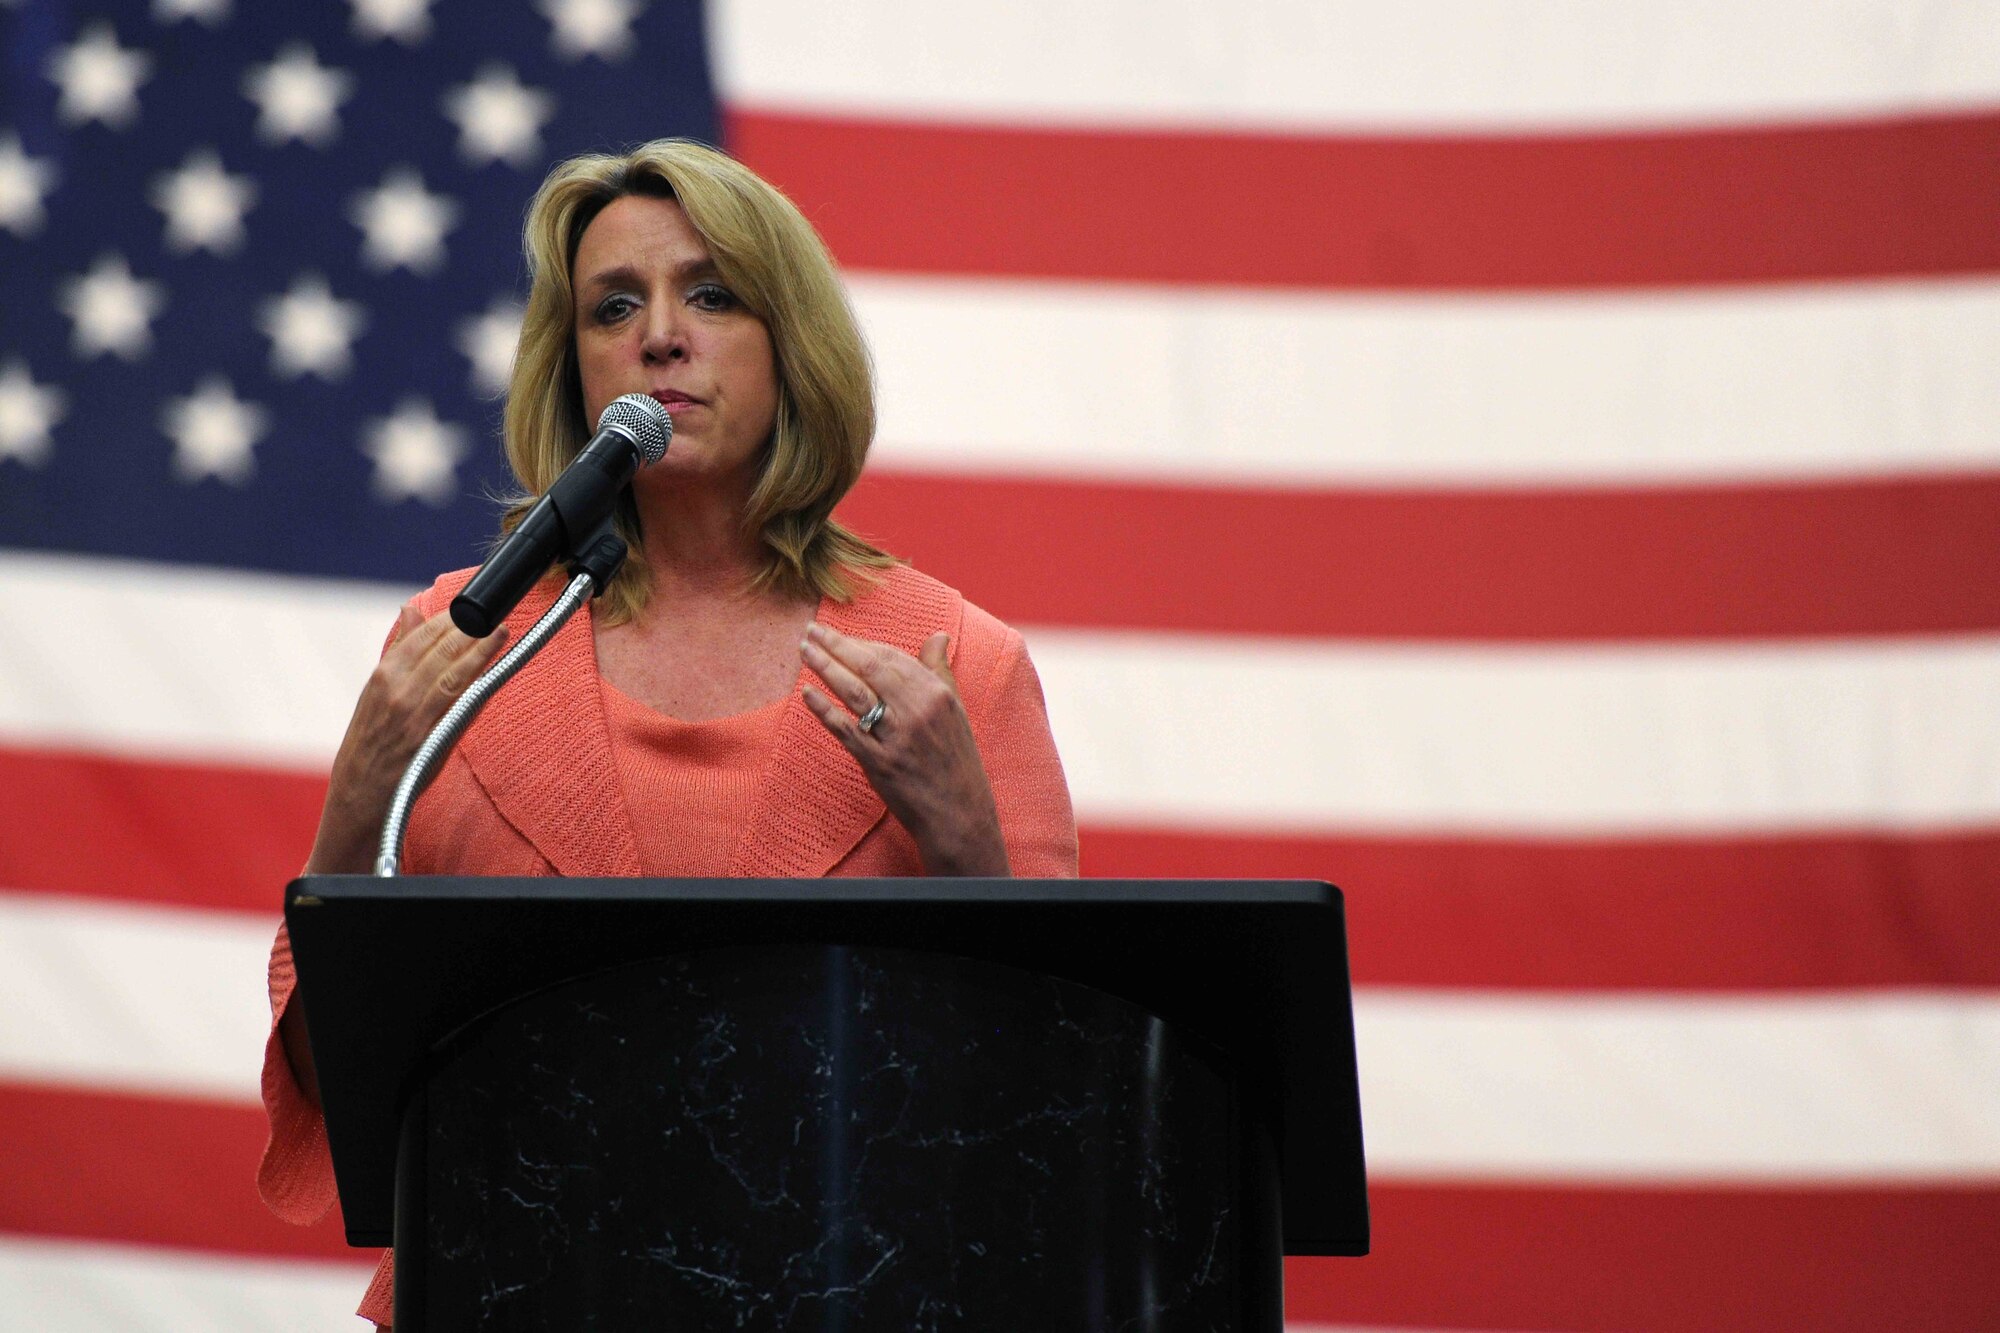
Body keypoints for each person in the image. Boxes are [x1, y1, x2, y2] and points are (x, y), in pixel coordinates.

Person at [256, 139, 1079, 1328]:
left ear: (790, 344)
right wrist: (355, 800)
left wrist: (960, 838)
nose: (658, 336)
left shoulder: (951, 661)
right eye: (612, 307)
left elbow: (1047, 1099)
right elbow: (349, 1088)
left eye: (709, 293)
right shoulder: (466, 636)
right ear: (576, 366)